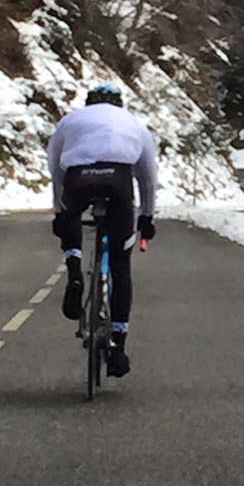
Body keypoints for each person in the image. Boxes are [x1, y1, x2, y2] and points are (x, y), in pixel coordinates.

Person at [47, 83, 157, 378]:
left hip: (78, 176)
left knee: (71, 223)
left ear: (88, 102)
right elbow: (147, 178)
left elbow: (55, 170)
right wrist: (146, 216)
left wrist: (61, 214)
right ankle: (118, 345)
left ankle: (73, 273)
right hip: (118, 179)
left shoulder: (71, 120)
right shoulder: (134, 123)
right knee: (121, 264)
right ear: (119, 104)